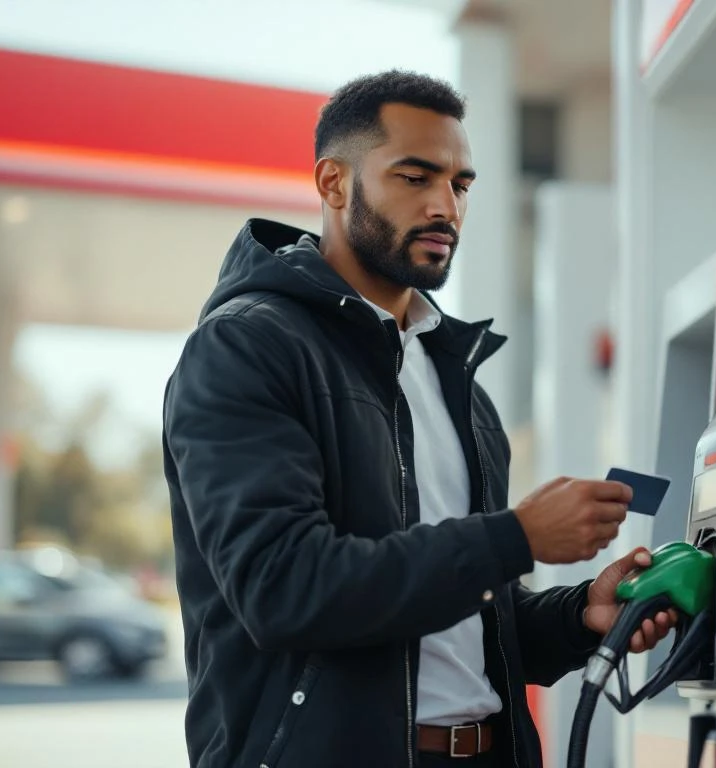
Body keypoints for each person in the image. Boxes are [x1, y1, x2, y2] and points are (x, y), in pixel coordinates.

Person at [162, 70, 678, 768]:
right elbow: (283, 589)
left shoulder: (454, 378)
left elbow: (463, 621)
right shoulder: (247, 346)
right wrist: (515, 536)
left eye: (461, 185)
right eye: (415, 177)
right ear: (334, 183)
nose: (445, 206)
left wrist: (580, 613)